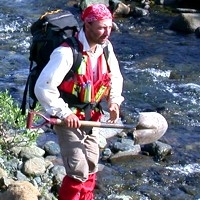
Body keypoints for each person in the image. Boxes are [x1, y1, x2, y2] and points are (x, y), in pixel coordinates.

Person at [34, 3, 124, 200]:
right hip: (67, 118)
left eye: (110, 27)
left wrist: (114, 101)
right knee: (78, 169)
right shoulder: (65, 53)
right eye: (101, 27)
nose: (107, 32)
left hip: (93, 116)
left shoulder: (106, 48)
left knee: (92, 163)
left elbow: (115, 77)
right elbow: (43, 87)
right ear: (88, 25)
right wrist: (65, 113)